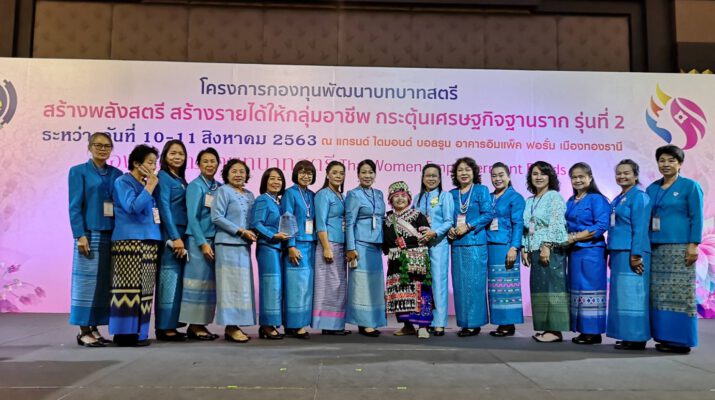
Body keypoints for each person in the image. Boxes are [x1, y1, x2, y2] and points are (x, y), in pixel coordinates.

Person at [646, 145, 703, 354]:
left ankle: (681, 340)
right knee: (659, 295)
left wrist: (694, 244)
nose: (666, 164)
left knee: (680, 293)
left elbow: (697, 216)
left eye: (671, 160)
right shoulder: (652, 188)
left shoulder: (690, 186)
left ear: (680, 163)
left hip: (680, 247)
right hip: (655, 248)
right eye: (662, 160)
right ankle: (664, 337)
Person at [68, 132, 122, 347]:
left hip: (112, 234)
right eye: (98, 145)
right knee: (86, 282)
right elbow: (74, 206)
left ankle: (95, 327)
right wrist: (79, 235)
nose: (102, 149)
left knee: (103, 284)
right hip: (89, 234)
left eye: (107, 145)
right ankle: (83, 330)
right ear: (89, 147)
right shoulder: (78, 171)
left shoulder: (117, 173)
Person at [109, 144, 161, 346]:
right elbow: (132, 207)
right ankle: (124, 334)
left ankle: (140, 333)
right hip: (128, 241)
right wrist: (150, 186)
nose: (153, 167)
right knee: (127, 289)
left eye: (155, 163)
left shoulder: (147, 183)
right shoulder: (123, 181)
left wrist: (149, 185)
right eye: (150, 162)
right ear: (137, 163)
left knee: (145, 290)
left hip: (150, 240)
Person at [522, 161, 569, 343]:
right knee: (540, 289)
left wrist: (547, 246)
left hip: (551, 249)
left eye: (543, 173)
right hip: (534, 248)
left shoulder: (554, 197)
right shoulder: (530, 200)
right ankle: (546, 328)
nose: (539, 177)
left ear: (550, 177)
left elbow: (557, 223)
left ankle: (555, 331)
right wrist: (524, 248)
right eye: (535, 174)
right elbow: (526, 228)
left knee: (553, 288)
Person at [607, 159, 651, 350]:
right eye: (619, 173)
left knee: (634, 295)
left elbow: (640, 228)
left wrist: (636, 255)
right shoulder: (619, 198)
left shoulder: (639, 196)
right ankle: (626, 335)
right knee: (622, 296)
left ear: (635, 175)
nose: (622, 176)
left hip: (632, 252)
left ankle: (637, 337)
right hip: (618, 252)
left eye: (626, 173)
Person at [448, 157, 494, 337]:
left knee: (475, 284)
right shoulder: (451, 194)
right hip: (457, 244)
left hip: (476, 243)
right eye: (460, 170)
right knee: (460, 285)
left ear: (474, 172)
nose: (464, 173)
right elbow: (447, 217)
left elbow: (489, 214)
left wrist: (468, 226)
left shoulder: (481, 190)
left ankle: (474, 324)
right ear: (455, 174)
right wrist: (450, 229)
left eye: (467, 169)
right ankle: (464, 323)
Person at [211, 159, 256, 343]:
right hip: (226, 245)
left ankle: (236, 325)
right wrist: (240, 231)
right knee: (229, 288)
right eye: (234, 171)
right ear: (227, 174)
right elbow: (216, 217)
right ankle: (230, 327)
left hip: (243, 246)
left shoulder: (250, 195)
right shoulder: (223, 191)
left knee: (241, 287)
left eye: (242, 171)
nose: (238, 174)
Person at [565, 162, 610, 345]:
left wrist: (575, 237)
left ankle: (593, 332)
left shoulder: (597, 199)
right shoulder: (570, 200)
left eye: (581, 176)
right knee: (577, 290)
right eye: (574, 177)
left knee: (590, 289)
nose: (577, 180)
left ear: (590, 178)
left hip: (592, 251)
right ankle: (583, 330)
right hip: (574, 252)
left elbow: (601, 225)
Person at [179, 148, 221, 340]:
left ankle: (201, 324)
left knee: (208, 285)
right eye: (205, 161)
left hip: (215, 241)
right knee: (197, 284)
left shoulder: (219, 187)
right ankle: (194, 326)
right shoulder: (195, 186)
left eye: (213, 161)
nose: (209, 165)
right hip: (198, 241)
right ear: (198, 164)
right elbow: (192, 218)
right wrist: (202, 243)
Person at [383, 181, 433, 339]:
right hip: (395, 262)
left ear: (409, 198)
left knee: (420, 292)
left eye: (403, 195)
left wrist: (411, 246)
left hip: (415, 261)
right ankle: (407, 326)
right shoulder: (388, 219)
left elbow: (426, 237)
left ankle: (423, 326)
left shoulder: (418, 215)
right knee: (399, 294)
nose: (400, 199)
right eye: (395, 196)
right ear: (390, 200)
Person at [345, 159, 387, 337]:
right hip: (360, 245)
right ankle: (363, 323)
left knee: (374, 284)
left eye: (370, 172)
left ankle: (373, 320)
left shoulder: (379, 194)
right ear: (358, 175)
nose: (367, 175)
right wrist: (351, 248)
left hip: (376, 246)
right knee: (361, 285)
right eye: (363, 172)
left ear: (375, 175)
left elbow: (382, 219)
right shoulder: (353, 194)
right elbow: (349, 223)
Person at [414, 163, 454, 336]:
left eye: (434, 175)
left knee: (438, 282)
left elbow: (449, 221)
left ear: (439, 178)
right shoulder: (417, 198)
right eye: (427, 175)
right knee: (423, 284)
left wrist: (434, 232)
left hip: (438, 244)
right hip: (420, 246)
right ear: (422, 178)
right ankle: (425, 320)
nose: (431, 178)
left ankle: (439, 323)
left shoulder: (445, 196)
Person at [312, 161, 351, 335]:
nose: (338, 176)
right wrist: (326, 247)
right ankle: (326, 324)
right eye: (334, 172)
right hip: (328, 244)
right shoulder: (323, 195)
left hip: (341, 245)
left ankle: (335, 324)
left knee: (339, 286)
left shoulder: (342, 196)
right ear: (327, 174)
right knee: (327, 286)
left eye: (341, 173)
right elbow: (320, 223)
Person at [486, 162, 525, 337]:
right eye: (494, 176)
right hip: (489, 245)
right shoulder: (489, 197)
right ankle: (500, 322)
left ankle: (508, 324)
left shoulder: (515, 197)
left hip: (506, 246)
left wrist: (514, 247)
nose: (497, 179)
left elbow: (518, 224)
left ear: (508, 177)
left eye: (501, 175)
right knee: (495, 287)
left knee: (507, 286)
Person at [155, 140, 189, 341]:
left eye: (181, 154)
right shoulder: (163, 177)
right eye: (173, 153)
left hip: (183, 234)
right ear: (165, 156)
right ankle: (164, 326)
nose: (177, 157)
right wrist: (175, 237)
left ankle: (173, 325)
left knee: (177, 282)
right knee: (168, 279)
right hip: (171, 234)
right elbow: (164, 208)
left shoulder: (181, 179)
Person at [251, 168, 290, 339]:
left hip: (279, 248)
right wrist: (273, 235)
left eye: (279, 179)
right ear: (265, 181)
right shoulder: (262, 200)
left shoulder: (279, 202)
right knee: (270, 286)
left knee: (277, 286)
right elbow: (256, 224)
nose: (276, 182)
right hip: (267, 247)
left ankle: (272, 324)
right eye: (272, 178)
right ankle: (267, 325)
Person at [281, 160, 318, 339]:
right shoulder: (290, 193)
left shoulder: (312, 194)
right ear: (296, 174)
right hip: (297, 245)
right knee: (295, 287)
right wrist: (291, 245)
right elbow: (287, 219)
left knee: (306, 287)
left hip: (311, 244)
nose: (306, 176)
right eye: (302, 172)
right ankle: (294, 325)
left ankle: (297, 324)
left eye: (309, 173)